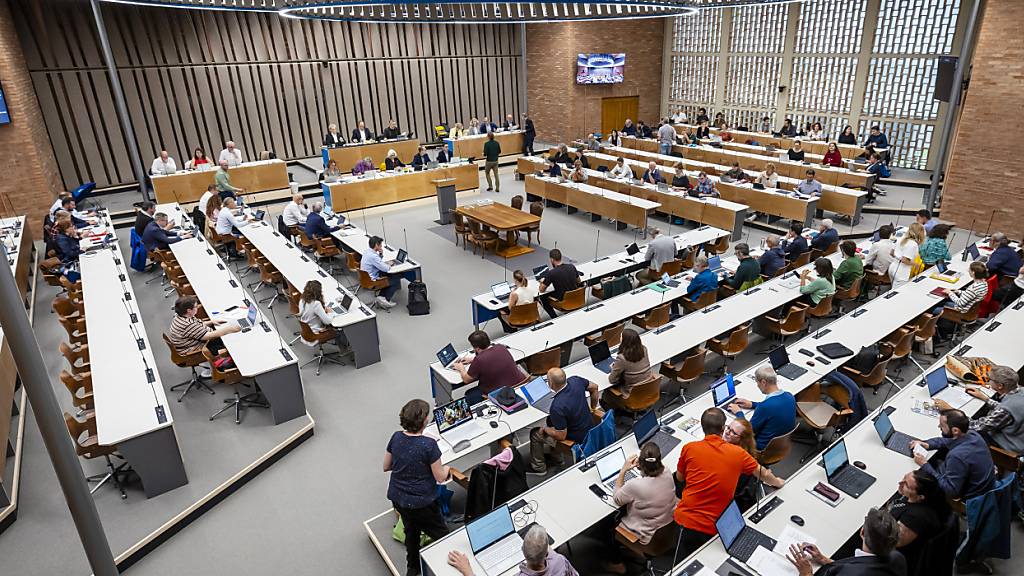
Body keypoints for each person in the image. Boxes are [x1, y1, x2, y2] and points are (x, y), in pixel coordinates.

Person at [675, 408, 784, 556]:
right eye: (728, 429)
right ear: (722, 428)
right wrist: (777, 482)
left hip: (686, 520)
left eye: (733, 432)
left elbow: (680, 479)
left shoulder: (689, 448)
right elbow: (763, 473)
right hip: (716, 526)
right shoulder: (739, 454)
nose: (728, 432)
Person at [385, 399, 451, 576]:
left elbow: (386, 466)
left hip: (398, 499)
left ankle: (412, 568)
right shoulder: (429, 445)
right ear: (425, 421)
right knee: (443, 535)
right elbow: (440, 477)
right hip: (422, 503)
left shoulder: (396, 437)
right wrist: (448, 469)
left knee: (411, 531)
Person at [603, 442, 676, 574]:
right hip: (668, 531)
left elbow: (617, 498)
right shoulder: (667, 471)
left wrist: (624, 470)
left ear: (641, 463)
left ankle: (617, 564)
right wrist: (643, 469)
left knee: (608, 525)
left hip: (648, 539)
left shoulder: (635, 485)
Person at [787, 508, 906, 576]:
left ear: (862, 532)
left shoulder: (851, 573)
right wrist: (824, 560)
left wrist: (806, 573)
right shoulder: (898, 558)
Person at [934, 365, 1024, 453]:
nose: (988, 381)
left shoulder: (1005, 410)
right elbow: (1005, 408)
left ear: (1000, 386)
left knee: (954, 431)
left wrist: (951, 410)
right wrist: (985, 399)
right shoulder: (1020, 391)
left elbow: (976, 426)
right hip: (1018, 433)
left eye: (990, 379)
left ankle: (943, 455)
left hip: (1007, 445)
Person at [910, 409, 995, 499]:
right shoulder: (973, 434)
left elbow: (950, 491)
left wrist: (924, 465)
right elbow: (949, 440)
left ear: (955, 431)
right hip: (984, 484)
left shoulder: (957, 456)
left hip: (973, 496)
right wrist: (928, 444)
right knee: (936, 459)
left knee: (921, 476)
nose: (939, 426)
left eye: (942, 425)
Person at [529, 367, 598, 473]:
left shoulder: (557, 406)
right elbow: (595, 387)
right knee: (551, 421)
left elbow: (561, 436)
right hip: (589, 427)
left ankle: (539, 468)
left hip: (576, 440)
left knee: (535, 433)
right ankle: (556, 458)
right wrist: (593, 409)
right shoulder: (576, 380)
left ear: (551, 383)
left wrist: (546, 429)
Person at [885, 470, 952, 574]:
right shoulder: (926, 500)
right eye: (904, 478)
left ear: (920, 497)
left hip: (898, 557)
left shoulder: (914, 518)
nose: (900, 483)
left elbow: (893, 542)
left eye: (906, 485)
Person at [448, 524, 578, 576]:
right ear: (546, 552)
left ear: (522, 550)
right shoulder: (559, 560)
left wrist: (467, 570)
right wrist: (542, 544)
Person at [727, 366, 797, 451]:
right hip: (780, 446)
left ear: (763, 382)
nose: (757, 385)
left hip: (760, 449)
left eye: (757, 382)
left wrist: (738, 412)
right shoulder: (789, 396)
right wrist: (752, 404)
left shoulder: (765, 407)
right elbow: (775, 407)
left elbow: (747, 431)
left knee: (730, 434)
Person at [168, 295, 240, 360]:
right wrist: (228, 329)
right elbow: (208, 336)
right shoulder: (187, 325)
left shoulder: (181, 315)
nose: (197, 308)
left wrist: (211, 322)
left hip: (194, 341)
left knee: (225, 334)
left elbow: (198, 325)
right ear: (189, 310)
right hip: (195, 349)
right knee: (231, 344)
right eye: (196, 307)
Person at [933, 262, 989, 341]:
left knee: (933, 309)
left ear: (973, 273)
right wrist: (958, 291)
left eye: (969, 269)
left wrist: (950, 293)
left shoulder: (974, 287)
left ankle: (939, 336)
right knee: (942, 302)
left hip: (961, 311)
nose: (968, 270)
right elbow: (970, 295)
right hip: (969, 309)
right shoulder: (983, 283)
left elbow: (960, 302)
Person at [600, 329, 652, 411]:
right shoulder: (644, 349)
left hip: (630, 395)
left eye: (621, 337)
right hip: (646, 391)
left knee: (606, 392)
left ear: (624, 341)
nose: (620, 338)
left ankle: (618, 413)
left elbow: (612, 380)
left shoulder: (622, 358)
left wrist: (613, 368)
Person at [299, 279, 350, 351]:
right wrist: (330, 312)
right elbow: (327, 321)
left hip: (307, 331)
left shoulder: (302, 300)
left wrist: (322, 310)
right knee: (340, 330)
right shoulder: (316, 304)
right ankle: (345, 350)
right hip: (315, 333)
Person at [361, 235, 404, 309]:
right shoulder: (373, 256)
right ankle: (385, 299)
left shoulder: (367, 252)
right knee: (396, 279)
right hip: (372, 280)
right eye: (380, 245)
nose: (381, 246)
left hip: (366, 278)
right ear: (376, 245)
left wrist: (380, 255)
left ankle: (381, 297)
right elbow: (386, 269)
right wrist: (389, 264)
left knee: (388, 276)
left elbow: (378, 262)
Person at [537, 249, 580, 318]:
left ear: (552, 260)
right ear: (561, 257)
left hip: (563, 301)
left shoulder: (551, 273)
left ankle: (554, 317)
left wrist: (542, 282)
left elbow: (541, 290)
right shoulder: (572, 266)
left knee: (542, 297)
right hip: (576, 298)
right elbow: (579, 281)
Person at [889, 222, 925, 287]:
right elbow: (904, 260)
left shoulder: (901, 238)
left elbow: (892, 253)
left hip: (892, 267)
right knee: (897, 294)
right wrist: (916, 264)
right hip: (902, 271)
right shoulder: (913, 244)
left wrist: (899, 257)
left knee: (893, 290)